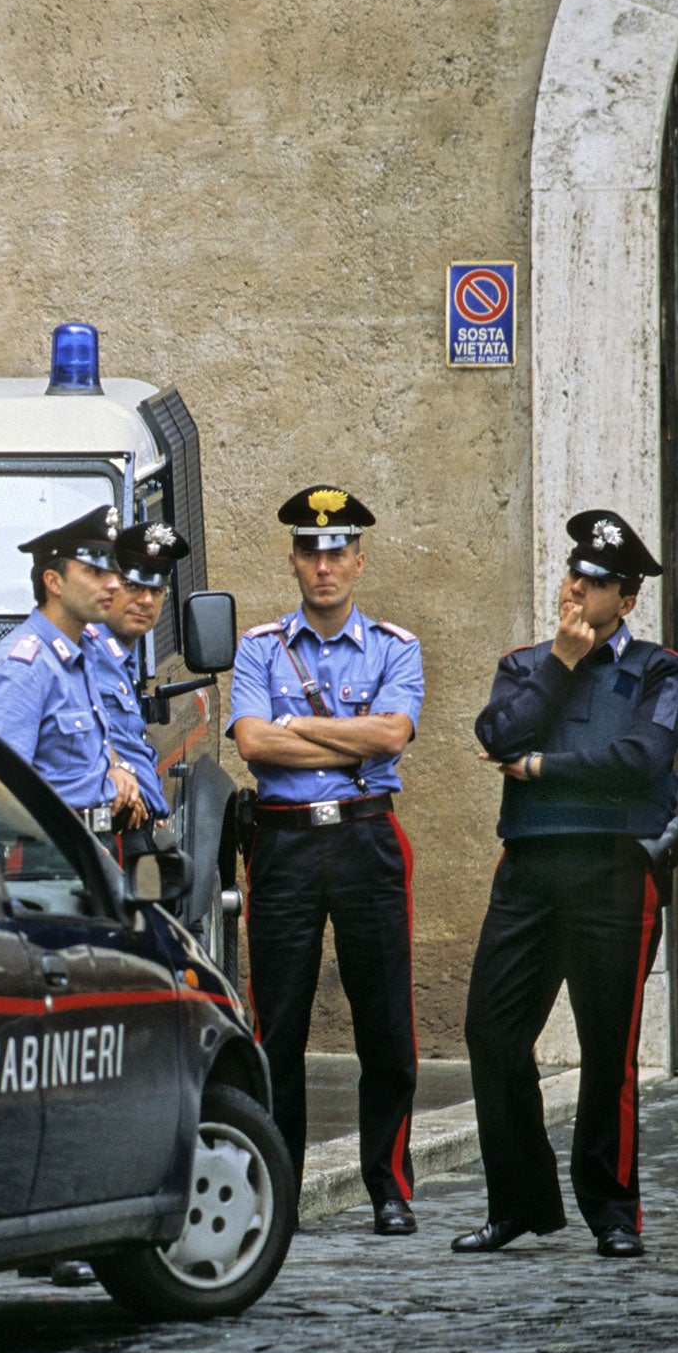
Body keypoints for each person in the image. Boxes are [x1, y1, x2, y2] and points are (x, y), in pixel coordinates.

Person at [457, 510, 678, 1260]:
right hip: (529, 868)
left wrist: (544, 771)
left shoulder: (659, 669)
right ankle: (520, 1201)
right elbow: (497, 734)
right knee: (492, 1033)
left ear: (627, 598)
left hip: (614, 871)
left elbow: (641, 759)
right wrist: (558, 661)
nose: (579, 590)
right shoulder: (527, 664)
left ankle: (613, 1210)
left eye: (598, 583)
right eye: (575, 575)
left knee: (608, 1046)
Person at [227, 486, 424, 1236]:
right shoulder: (258, 647)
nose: (323, 566)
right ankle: (281, 1188)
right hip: (284, 841)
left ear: (359, 562)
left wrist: (298, 724)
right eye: (310, 552)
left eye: (336, 551)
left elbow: (391, 737)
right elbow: (251, 743)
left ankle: (389, 1185)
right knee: (280, 1024)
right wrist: (351, 729)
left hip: (367, 839)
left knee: (386, 1022)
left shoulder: (394, 648)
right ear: (293, 563)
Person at [0, 506, 145, 838]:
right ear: (54, 582)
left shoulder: (80, 651)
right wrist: (63, 844)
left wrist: (117, 766)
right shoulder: (26, 665)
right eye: (95, 572)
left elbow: (77, 742)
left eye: (113, 572)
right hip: (48, 863)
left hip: (95, 842)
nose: (113, 585)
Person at [82, 519, 193, 867]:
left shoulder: (119, 657)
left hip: (131, 835)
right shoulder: (86, 649)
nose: (146, 600)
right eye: (133, 585)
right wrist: (117, 767)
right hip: (102, 837)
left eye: (156, 590)